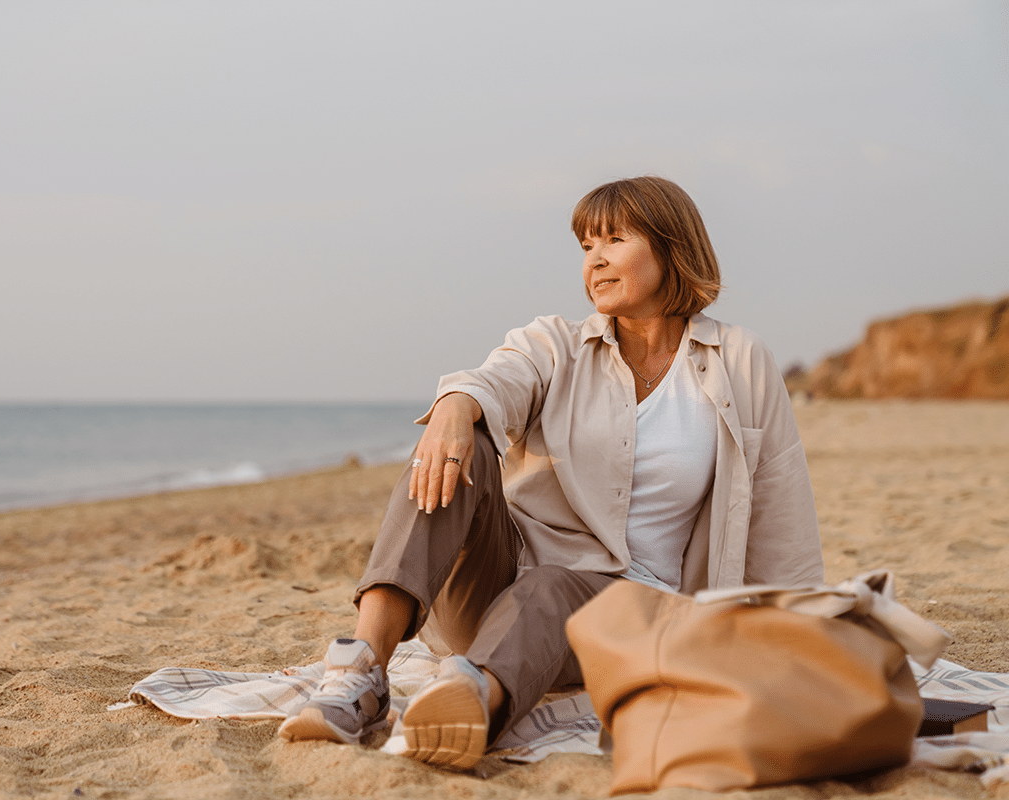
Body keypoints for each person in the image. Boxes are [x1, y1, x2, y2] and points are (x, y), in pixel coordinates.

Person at [278, 176, 824, 769]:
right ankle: (362, 673)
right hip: (496, 593)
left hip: (638, 618)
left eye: (615, 240)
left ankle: (471, 706)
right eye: (587, 246)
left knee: (551, 585)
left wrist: (801, 640)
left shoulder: (738, 361)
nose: (595, 260)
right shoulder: (556, 344)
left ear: (670, 249)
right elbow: (498, 377)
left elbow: (780, 512)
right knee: (456, 451)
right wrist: (456, 409)